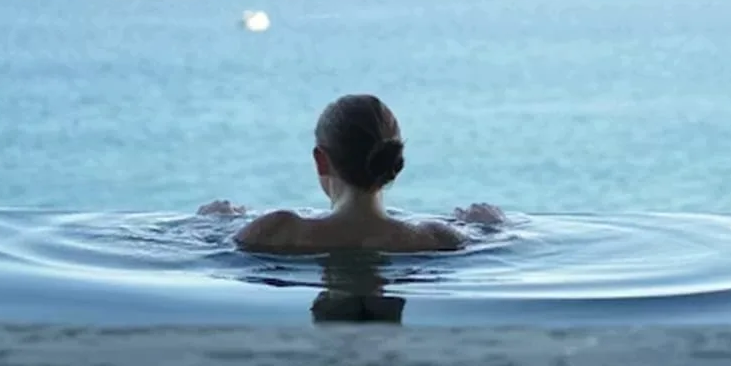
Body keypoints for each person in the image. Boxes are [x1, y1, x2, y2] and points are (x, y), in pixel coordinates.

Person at [199, 94, 503, 252]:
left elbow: (214, 247)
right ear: (394, 164)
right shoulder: (437, 238)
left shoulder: (278, 232)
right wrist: (490, 227)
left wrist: (215, 223)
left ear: (321, 161)